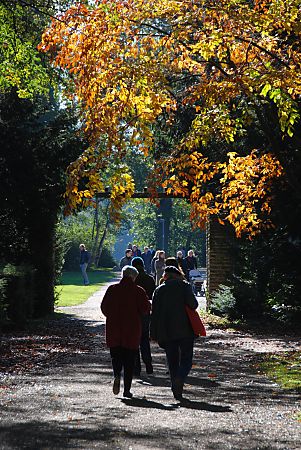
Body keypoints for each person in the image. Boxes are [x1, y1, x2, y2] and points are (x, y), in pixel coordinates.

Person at [101, 265, 151, 398]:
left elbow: (104, 307)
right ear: (134, 277)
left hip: (114, 328)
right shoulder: (138, 291)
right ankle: (127, 390)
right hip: (132, 329)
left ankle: (117, 374)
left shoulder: (112, 289)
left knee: (115, 356)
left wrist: (111, 316)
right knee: (129, 361)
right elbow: (145, 309)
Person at [150, 266, 198, 401]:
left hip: (166, 330)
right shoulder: (184, 286)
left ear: (165, 276)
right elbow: (193, 305)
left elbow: (154, 314)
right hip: (185, 329)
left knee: (172, 361)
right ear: (178, 275)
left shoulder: (159, 290)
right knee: (186, 359)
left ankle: (176, 389)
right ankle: (180, 379)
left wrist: (153, 333)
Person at [131, 257, 156, 376]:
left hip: (133, 313)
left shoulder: (132, 280)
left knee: (134, 341)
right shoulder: (149, 279)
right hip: (145, 313)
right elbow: (153, 295)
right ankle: (148, 363)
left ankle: (137, 367)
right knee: (144, 340)